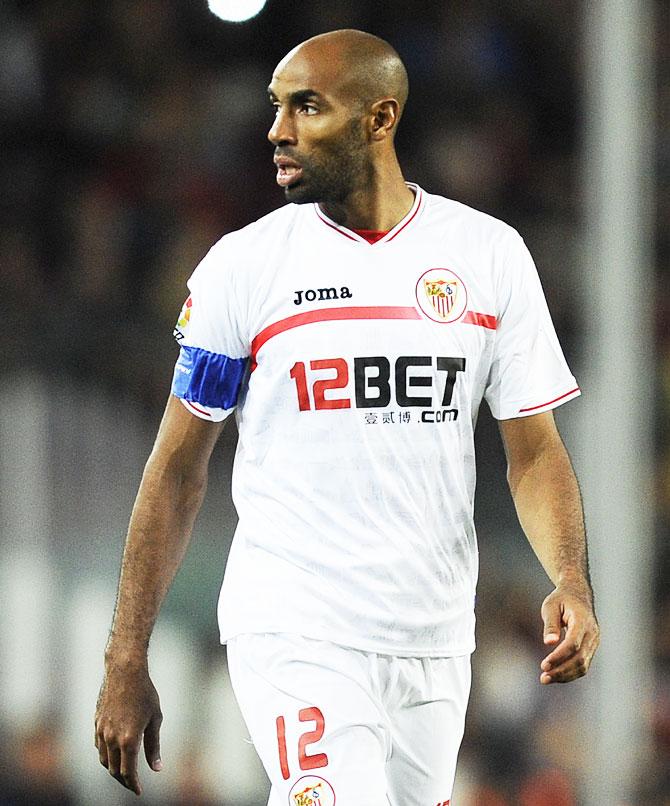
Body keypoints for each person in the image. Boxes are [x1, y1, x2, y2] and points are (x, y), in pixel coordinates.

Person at [95, 28, 600, 805]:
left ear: (378, 118)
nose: (277, 130)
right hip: (296, 629)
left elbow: (534, 453)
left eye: (307, 107)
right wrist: (125, 658)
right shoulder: (243, 268)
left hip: (434, 641)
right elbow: (176, 470)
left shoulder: (487, 257)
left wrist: (570, 578)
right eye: (275, 107)